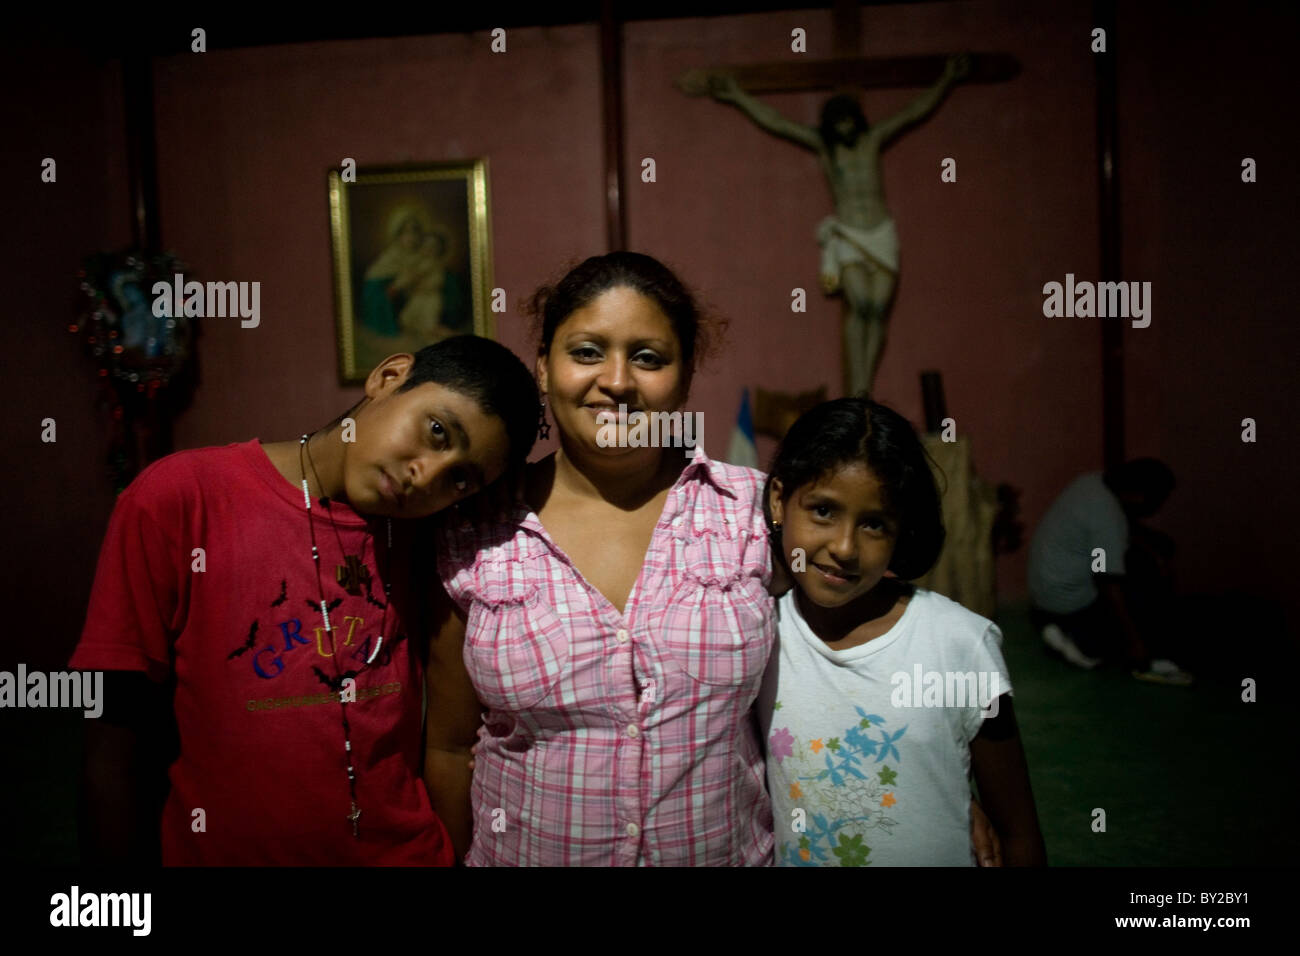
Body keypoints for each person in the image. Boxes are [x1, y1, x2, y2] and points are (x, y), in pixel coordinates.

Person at [429, 253, 1004, 866]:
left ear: (685, 376)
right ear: (544, 368)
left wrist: (932, 789)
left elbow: (848, 647)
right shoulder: (475, 530)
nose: (618, 380)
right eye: (588, 351)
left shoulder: (753, 512)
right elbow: (446, 745)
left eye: (648, 357)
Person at [71, 335, 539, 865]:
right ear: (388, 377)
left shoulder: (429, 538)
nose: (426, 476)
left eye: (459, 479)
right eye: (436, 432)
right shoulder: (183, 497)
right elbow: (113, 732)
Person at [758, 398, 1046, 866]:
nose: (845, 548)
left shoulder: (958, 644)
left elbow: (1018, 832)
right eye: (823, 511)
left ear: (900, 530)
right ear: (778, 501)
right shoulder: (758, 632)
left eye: (874, 523)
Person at [692, 55, 968, 395]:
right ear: (830, 124)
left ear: (857, 120)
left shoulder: (872, 140)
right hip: (849, 235)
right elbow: (777, 121)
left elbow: (913, 111)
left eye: (848, 121)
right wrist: (738, 96)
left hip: (880, 232)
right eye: (838, 122)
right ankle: (858, 390)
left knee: (878, 309)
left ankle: (864, 383)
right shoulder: (825, 147)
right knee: (861, 304)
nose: (844, 128)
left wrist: (947, 78)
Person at [1027, 458, 1192, 684]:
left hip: (1045, 596)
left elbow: (1109, 532)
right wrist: (1136, 644)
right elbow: (1106, 580)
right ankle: (1081, 643)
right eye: (1158, 500)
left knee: (1137, 559)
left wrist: (1151, 542)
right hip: (1071, 604)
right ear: (1140, 496)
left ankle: (1056, 627)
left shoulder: (1091, 483)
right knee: (1138, 581)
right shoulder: (1107, 518)